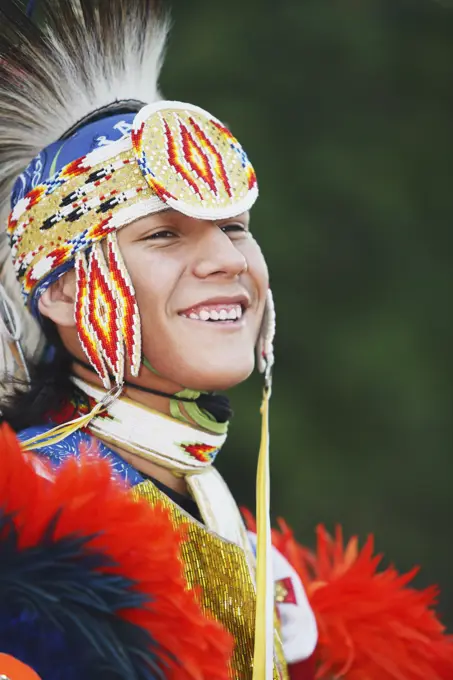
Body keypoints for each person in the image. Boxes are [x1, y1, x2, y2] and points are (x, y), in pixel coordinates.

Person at [0, 2, 452, 679]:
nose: (228, 261)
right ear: (62, 290)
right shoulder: (22, 534)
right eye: (162, 234)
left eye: (235, 228)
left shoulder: (230, 529)